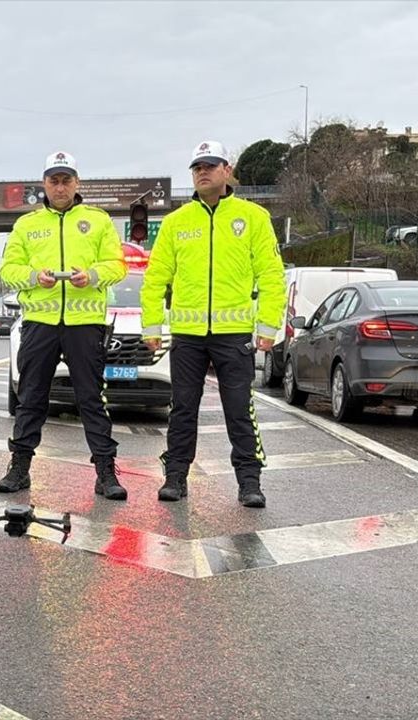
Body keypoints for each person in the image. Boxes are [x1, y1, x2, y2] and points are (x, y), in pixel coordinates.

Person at [140, 140, 285, 508]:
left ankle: (249, 481)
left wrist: (268, 328)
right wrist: (152, 328)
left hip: (234, 335)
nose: (202, 171)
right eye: (197, 167)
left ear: (227, 169)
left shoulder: (253, 218)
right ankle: (175, 477)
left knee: (239, 408)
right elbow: (155, 279)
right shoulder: (175, 223)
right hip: (188, 335)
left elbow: (271, 275)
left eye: (210, 165)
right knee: (182, 408)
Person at [0, 151, 128, 500]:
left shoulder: (98, 221)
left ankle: (105, 472)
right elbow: (8, 271)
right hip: (40, 323)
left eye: (66, 179)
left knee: (91, 399)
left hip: (85, 324)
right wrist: (34, 277)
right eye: (53, 180)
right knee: (31, 398)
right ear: (44, 184)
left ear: (76, 183)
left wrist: (93, 276)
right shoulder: (27, 225)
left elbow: (118, 264)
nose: (60, 186)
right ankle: (19, 469)